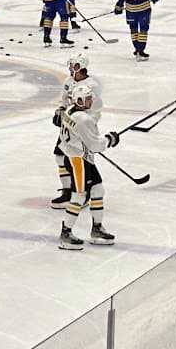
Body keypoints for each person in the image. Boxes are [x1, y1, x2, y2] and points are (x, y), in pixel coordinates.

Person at [56, 80, 120, 250]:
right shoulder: (83, 119)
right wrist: (110, 139)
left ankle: (97, 229)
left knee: (98, 190)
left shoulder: (69, 110)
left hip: (81, 157)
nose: (91, 101)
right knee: (79, 196)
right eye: (88, 99)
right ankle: (66, 234)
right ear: (79, 101)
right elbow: (96, 145)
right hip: (77, 161)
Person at [51, 53, 103, 209]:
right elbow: (64, 100)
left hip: (82, 128)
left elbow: (94, 111)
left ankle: (83, 193)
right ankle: (68, 191)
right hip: (69, 125)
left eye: (73, 65)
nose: (69, 68)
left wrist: (85, 129)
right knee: (60, 156)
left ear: (79, 67)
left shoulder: (92, 86)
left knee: (83, 162)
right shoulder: (68, 81)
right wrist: (60, 112)